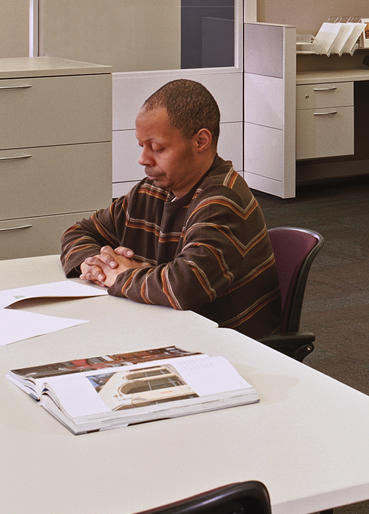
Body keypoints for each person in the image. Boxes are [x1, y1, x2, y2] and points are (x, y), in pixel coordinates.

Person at [60, 79, 283, 337]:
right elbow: (78, 232)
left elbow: (184, 286)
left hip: (229, 351)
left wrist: (118, 277)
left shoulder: (224, 200)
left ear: (201, 141)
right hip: (167, 332)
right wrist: (95, 265)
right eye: (141, 145)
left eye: (157, 148)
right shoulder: (151, 190)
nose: (143, 159)